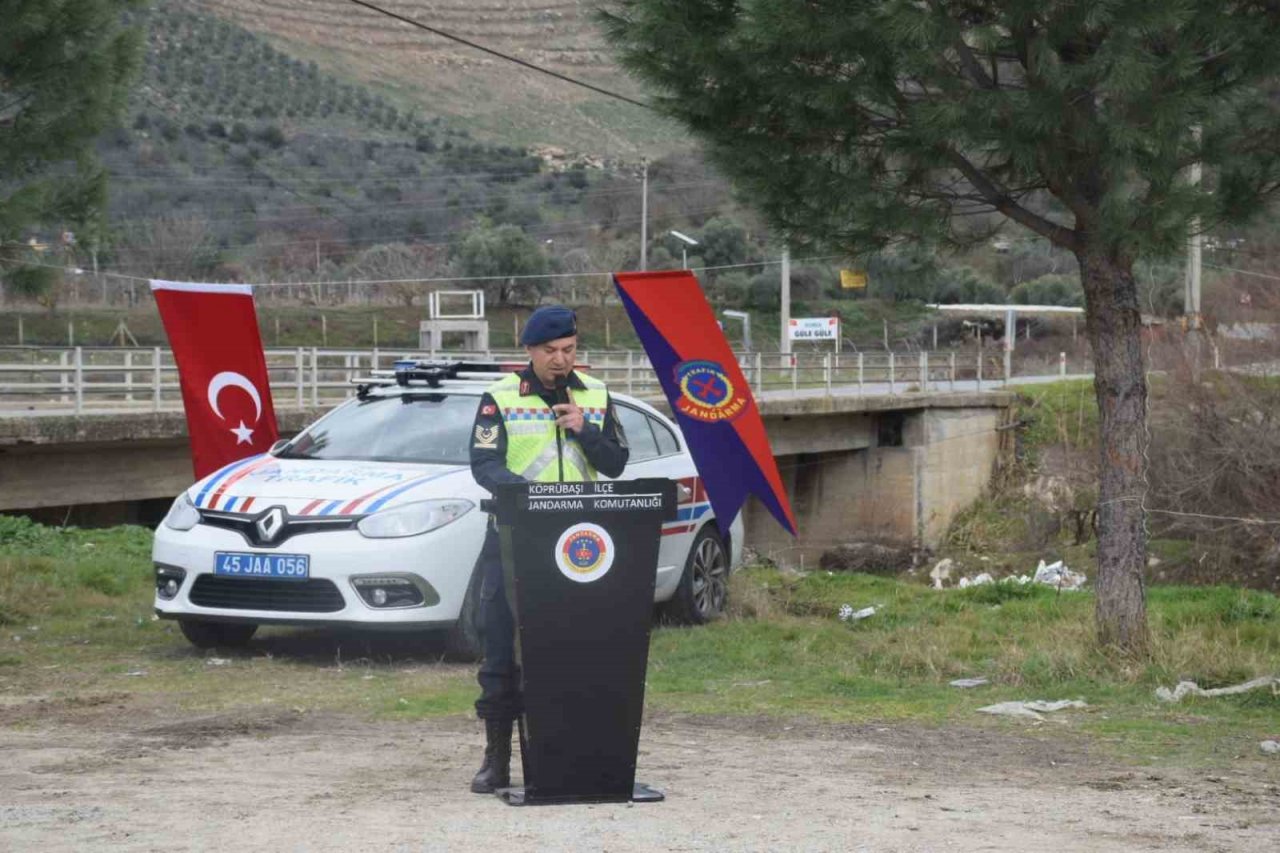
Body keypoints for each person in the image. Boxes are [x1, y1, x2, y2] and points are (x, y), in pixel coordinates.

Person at [467, 305, 629, 794]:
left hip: (580, 546)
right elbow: (484, 464)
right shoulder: (499, 397)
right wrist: (529, 498)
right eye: (550, 351)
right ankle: (497, 760)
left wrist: (586, 428)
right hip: (515, 539)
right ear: (530, 351)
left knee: (574, 650)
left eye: (569, 350)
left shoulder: (597, 396)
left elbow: (618, 463)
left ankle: (571, 755)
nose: (561, 360)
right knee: (501, 650)